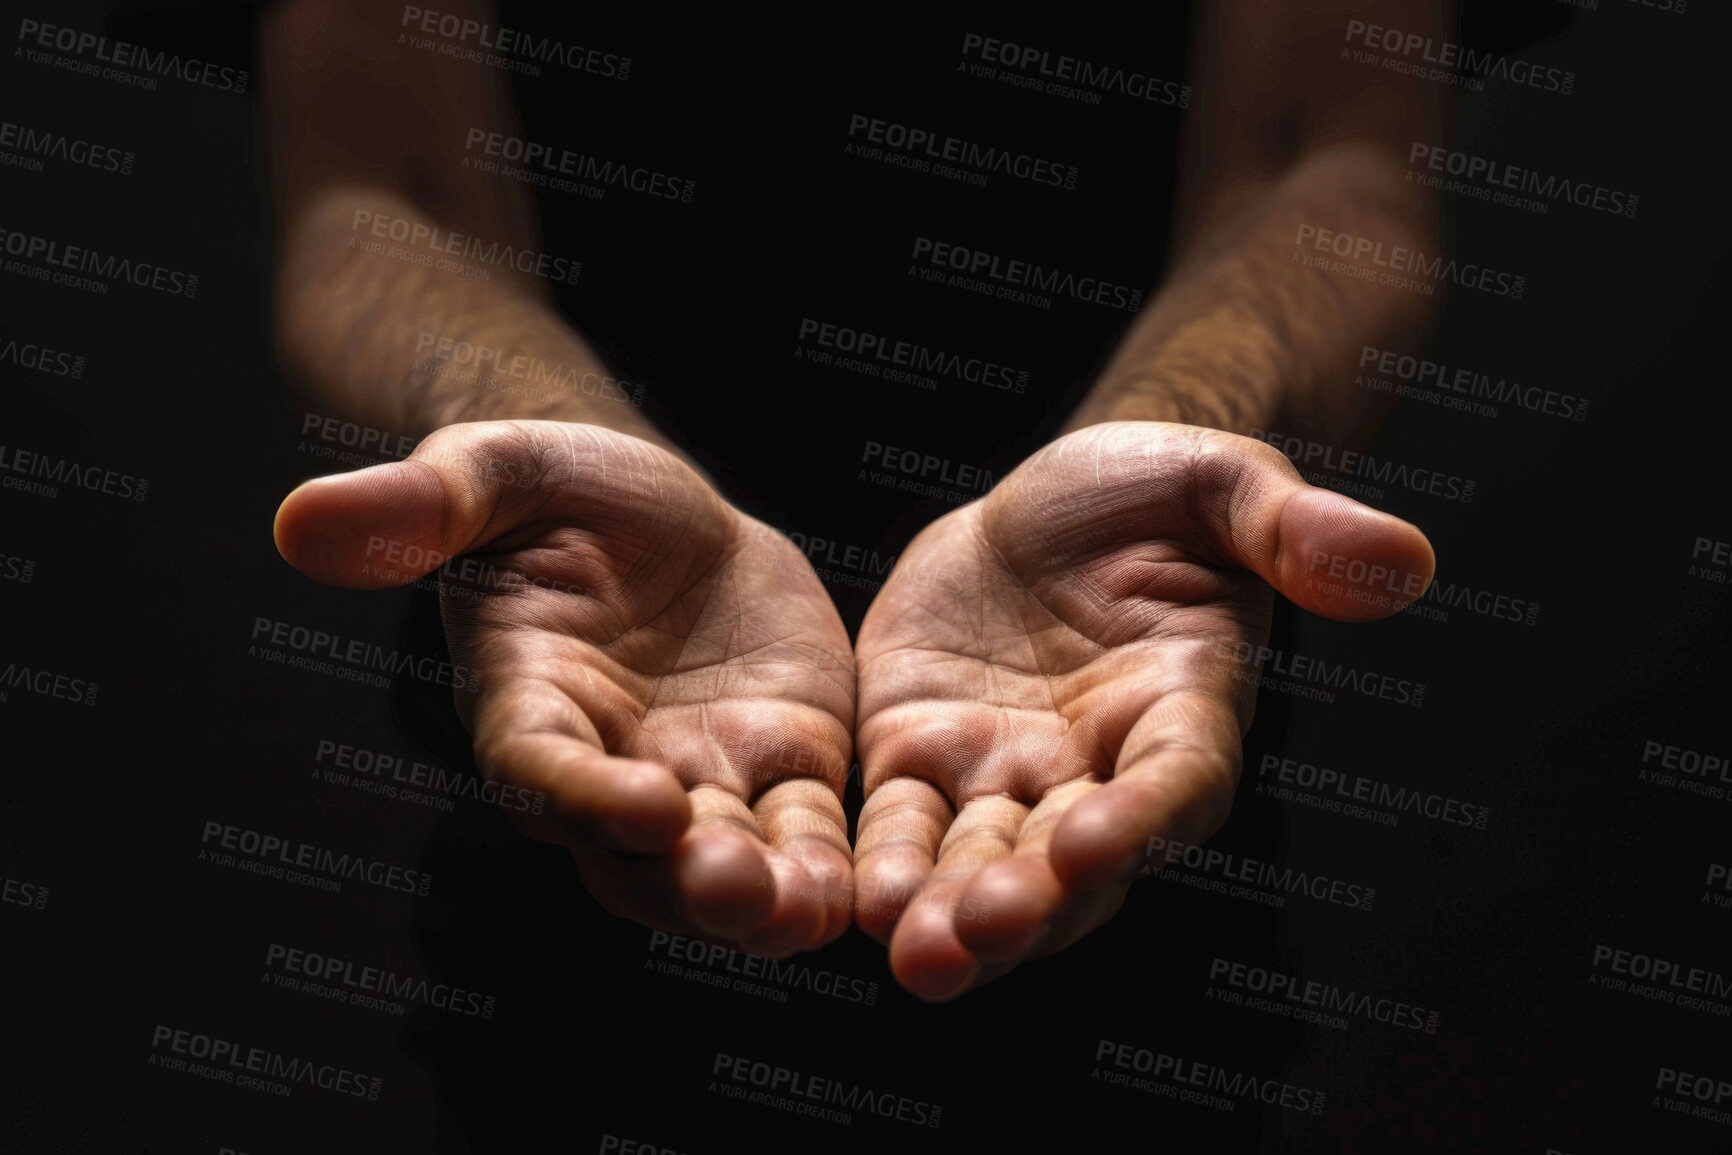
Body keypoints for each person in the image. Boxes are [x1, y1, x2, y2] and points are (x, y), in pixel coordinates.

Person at [265, 0, 1445, 1001]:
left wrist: (1173, 427)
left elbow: (1324, 162)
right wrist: (538, 430)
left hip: (1120, 751)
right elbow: (379, 193)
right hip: (578, 736)